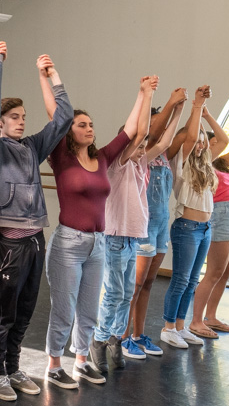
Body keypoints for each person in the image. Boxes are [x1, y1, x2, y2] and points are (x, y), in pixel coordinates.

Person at [44, 75, 156, 385]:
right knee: (64, 310)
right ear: (69, 131)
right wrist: (48, 77)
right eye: (81, 124)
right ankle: (54, 364)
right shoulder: (61, 158)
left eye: (91, 124)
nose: (89, 128)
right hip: (68, 242)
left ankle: (81, 360)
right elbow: (56, 114)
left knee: (89, 310)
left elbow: (133, 130)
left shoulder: (103, 157)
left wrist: (142, 93)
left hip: (98, 244)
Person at [0, 44, 73, 402]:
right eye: (15, 116)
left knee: (26, 308)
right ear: (1, 124)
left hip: (36, 240)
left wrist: (52, 77)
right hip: (11, 243)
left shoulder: (33, 147)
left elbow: (63, 117)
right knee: (4, 311)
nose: (21, 120)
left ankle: (14, 367)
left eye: (23, 116)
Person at [88, 77, 161, 369]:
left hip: (132, 238)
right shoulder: (118, 164)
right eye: (138, 144)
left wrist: (188, 107)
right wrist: (145, 94)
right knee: (115, 292)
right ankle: (99, 337)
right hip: (116, 237)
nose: (143, 146)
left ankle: (115, 338)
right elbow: (141, 130)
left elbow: (161, 139)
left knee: (126, 292)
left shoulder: (140, 163)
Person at [124, 89, 187, 354]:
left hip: (160, 226)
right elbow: (153, 134)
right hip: (143, 226)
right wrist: (171, 103)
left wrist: (182, 109)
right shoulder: (140, 150)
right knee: (134, 285)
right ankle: (123, 337)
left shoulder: (163, 153)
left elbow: (177, 135)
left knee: (148, 283)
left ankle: (138, 335)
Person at [187, 103, 229, 338]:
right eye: (207, 143)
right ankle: (196, 321)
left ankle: (211, 317)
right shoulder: (202, 162)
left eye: (211, 143)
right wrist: (206, 115)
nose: (212, 146)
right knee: (214, 272)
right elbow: (223, 139)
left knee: (225, 272)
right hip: (222, 212)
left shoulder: (221, 163)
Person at [159, 86, 217, 349]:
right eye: (196, 140)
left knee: (193, 280)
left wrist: (205, 114)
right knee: (181, 279)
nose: (200, 143)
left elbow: (223, 140)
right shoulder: (179, 164)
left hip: (204, 228)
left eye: (204, 140)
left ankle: (181, 327)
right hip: (186, 227)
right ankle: (168, 327)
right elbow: (191, 136)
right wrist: (197, 105)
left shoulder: (205, 166)